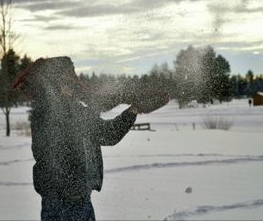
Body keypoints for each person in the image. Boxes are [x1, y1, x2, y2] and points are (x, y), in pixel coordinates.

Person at [13, 56, 169, 221]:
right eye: (68, 79)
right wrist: (113, 102)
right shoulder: (53, 112)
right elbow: (97, 130)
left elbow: (107, 133)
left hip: (73, 198)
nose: (74, 84)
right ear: (55, 83)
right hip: (68, 201)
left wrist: (133, 109)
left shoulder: (62, 109)